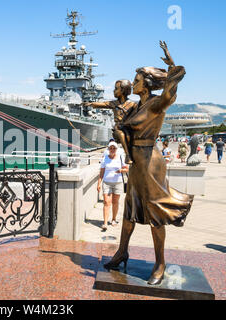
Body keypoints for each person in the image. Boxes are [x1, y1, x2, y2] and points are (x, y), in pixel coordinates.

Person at [104, 41, 194, 285]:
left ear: (147, 82)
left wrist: (171, 65)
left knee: (155, 213)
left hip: (149, 161)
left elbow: (170, 93)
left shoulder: (156, 103)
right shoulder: (137, 105)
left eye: (136, 80)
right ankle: (122, 252)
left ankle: (160, 263)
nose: (133, 84)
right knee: (130, 208)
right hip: (136, 161)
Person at [84, 80, 137, 164]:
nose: (113, 90)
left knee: (130, 135)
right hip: (118, 128)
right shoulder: (114, 103)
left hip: (128, 127)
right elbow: (103, 104)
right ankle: (128, 155)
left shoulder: (133, 104)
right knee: (122, 134)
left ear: (123, 90)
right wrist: (91, 104)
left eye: (116, 88)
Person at [97, 141, 128, 231]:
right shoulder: (105, 159)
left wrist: (120, 171)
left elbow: (127, 168)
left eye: (114, 148)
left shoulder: (120, 158)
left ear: (116, 149)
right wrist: (99, 183)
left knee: (115, 202)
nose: (112, 150)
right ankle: (105, 223)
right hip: (106, 182)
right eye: (111, 148)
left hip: (118, 183)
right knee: (106, 202)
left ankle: (114, 219)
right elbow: (101, 172)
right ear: (108, 149)